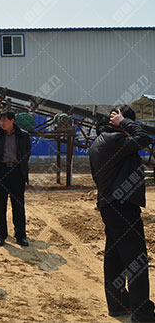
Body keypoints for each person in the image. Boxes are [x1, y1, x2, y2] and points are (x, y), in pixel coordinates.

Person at [89, 106, 155, 322]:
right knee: (136, 260)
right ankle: (142, 314)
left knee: (115, 257)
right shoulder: (115, 140)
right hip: (123, 207)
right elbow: (144, 138)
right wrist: (124, 122)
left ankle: (118, 304)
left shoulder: (99, 142)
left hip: (109, 206)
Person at [0, 110, 31, 247]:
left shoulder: (23, 135)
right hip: (1, 172)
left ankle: (20, 235)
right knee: (0, 205)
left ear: (12, 120)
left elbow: (27, 152)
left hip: (17, 172)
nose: (2, 123)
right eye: (0, 120)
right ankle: (1, 235)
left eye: (5, 120)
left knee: (18, 205)